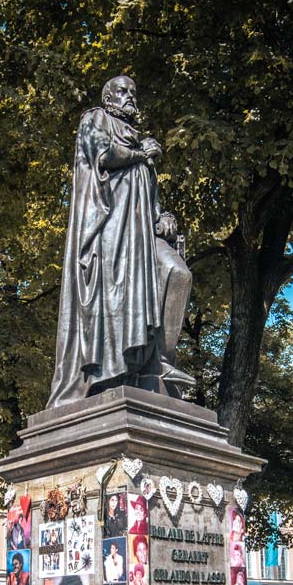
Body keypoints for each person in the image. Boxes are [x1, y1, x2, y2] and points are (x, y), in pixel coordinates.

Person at [47, 75, 194, 408]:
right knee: (116, 298)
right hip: (111, 231)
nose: (130, 97)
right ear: (108, 97)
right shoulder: (96, 119)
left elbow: (147, 197)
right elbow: (104, 154)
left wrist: (163, 218)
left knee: (178, 274)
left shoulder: (139, 143)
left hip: (142, 234)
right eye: (122, 92)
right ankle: (118, 370)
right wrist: (142, 152)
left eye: (133, 92)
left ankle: (161, 363)